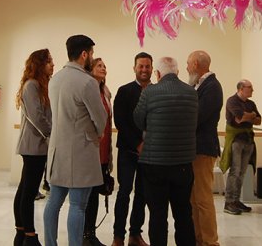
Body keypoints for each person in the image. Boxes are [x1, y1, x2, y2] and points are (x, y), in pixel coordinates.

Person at [43, 35, 107, 246]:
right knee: (78, 206)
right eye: (92, 54)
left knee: (53, 203)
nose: (93, 58)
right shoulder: (87, 82)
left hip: (57, 150)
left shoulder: (55, 79)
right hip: (81, 151)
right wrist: (97, 133)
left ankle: (50, 243)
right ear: (84, 54)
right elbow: (100, 118)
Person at [133, 57, 197, 246]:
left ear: (158, 73)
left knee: (158, 214)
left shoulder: (150, 92)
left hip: (155, 163)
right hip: (183, 163)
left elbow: (138, 119)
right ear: (177, 72)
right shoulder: (191, 93)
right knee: (183, 213)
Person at [13, 49, 54, 246]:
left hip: (37, 145)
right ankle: (29, 235)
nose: (52, 65)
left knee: (25, 189)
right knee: (28, 192)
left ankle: (21, 233)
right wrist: (52, 132)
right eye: (49, 61)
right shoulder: (31, 85)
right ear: (39, 64)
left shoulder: (40, 85)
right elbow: (37, 117)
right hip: (33, 146)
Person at [112, 53, 153, 246]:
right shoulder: (124, 91)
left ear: (152, 68)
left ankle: (135, 234)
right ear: (134, 68)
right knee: (124, 193)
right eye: (141, 66)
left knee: (142, 194)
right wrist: (138, 143)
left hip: (150, 154)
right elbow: (120, 121)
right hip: (128, 152)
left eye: (147, 66)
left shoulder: (157, 91)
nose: (144, 70)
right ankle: (118, 236)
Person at [185, 50, 222, 246]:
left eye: (188, 64)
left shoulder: (212, 86)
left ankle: (209, 241)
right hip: (194, 149)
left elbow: (198, 115)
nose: (187, 67)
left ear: (196, 65)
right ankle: (198, 238)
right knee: (194, 199)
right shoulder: (200, 85)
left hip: (203, 149)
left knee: (203, 199)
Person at [219, 79, 261, 216]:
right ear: (241, 88)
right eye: (250, 87)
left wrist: (249, 116)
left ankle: (236, 200)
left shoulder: (251, 103)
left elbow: (259, 120)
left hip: (248, 140)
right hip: (236, 141)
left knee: (242, 172)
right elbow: (239, 118)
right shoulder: (232, 101)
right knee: (235, 171)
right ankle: (229, 202)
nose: (252, 90)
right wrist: (251, 115)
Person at [83, 58, 113, 246]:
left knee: (95, 195)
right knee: (87, 196)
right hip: (89, 150)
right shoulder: (87, 90)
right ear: (90, 69)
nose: (103, 68)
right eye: (99, 65)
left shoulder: (106, 92)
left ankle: (90, 234)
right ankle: (84, 235)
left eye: (104, 66)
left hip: (103, 151)